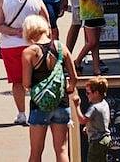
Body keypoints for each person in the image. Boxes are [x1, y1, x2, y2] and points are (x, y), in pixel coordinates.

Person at [0, 0, 48, 125]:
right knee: (36, 79)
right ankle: (37, 112)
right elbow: (46, 21)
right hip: (33, 44)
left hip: (11, 46)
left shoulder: (4, 0)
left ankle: (22, 114)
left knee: (17, 82)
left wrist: (14, 31)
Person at [21, 14, 78, 162]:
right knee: (62, 150)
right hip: (61, 102)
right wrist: (69, 88)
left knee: (36, 152)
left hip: (39, 105)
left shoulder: (29, 52)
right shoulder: (61, 47)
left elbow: (26, 83)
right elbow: (74, 78)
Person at [74, 0, 104, 76]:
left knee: (96, 43)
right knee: (91, 42)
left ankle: (96, 68)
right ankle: (77, 61)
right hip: (89, 14)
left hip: (98, 13)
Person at [70, 76, 112, 162]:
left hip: (97, 141)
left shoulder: (94, 108)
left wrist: (77, 105)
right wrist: (89, 127)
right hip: (106, 139)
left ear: (96, 93)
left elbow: (82, 120)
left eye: (88, 93)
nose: (86, 95)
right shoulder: (104, 104)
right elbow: (100, 120)